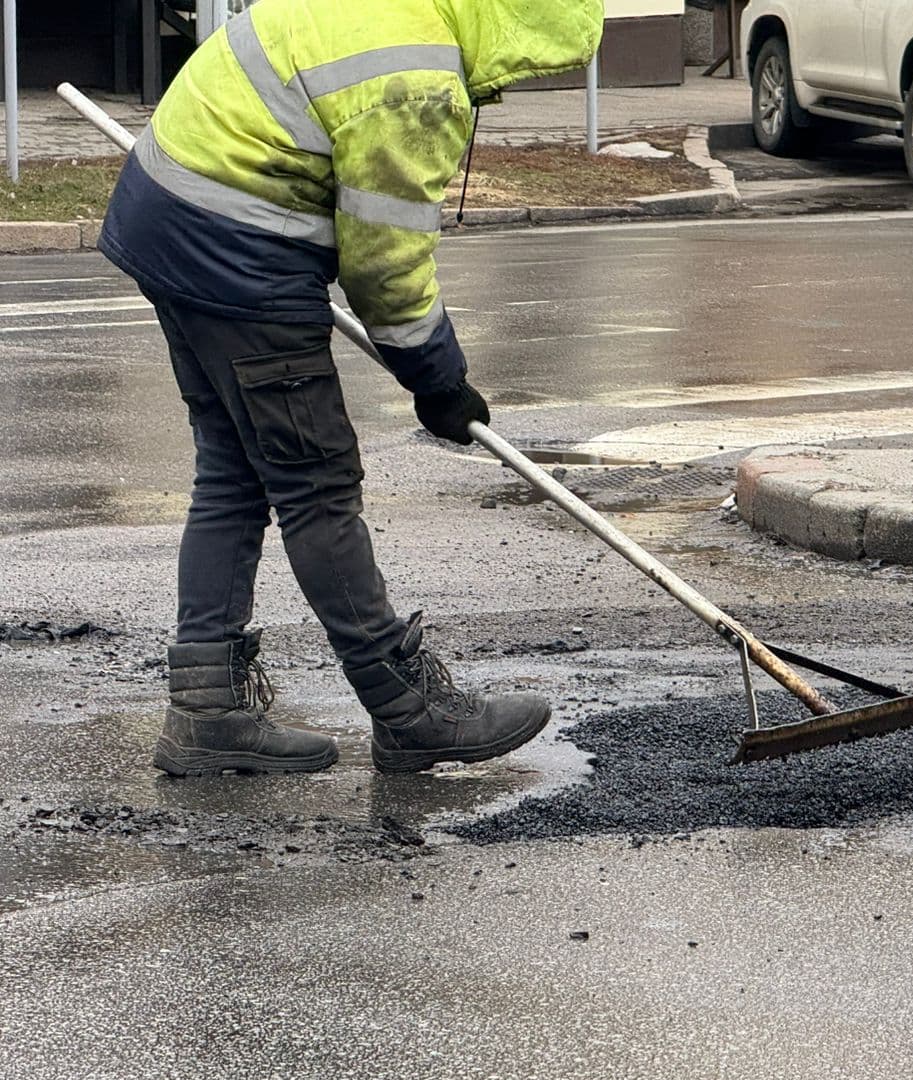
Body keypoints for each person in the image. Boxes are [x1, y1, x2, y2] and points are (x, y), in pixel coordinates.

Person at [99, 0, 602, 775]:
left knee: (234, 468)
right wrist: (439, 382)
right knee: (317, 483)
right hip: (239, 250)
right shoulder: (415, 80)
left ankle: (206, 711)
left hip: (165, 215)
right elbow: (385, 269)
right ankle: (408, 708)